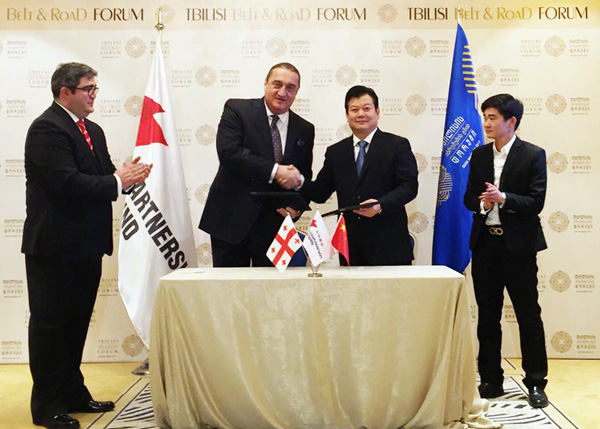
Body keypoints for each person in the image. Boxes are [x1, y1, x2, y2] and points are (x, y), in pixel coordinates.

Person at [22, 62, 152, 428]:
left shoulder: (91, 129)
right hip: (54, 247)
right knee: (51, 327)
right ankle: (47, 406)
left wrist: (128, 177)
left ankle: (73, 393)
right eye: (88, 89)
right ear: (65, 92)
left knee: (77, 323)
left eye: (95, 88)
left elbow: (103, 176)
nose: (94, 94)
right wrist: (117, 180)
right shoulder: (47, 128)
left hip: (86, 245)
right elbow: (67, 183)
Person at [464, 93, 549, 408]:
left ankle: (536, 382)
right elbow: (469, 197)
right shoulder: (479, 155)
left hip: (519, 248)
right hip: (486, 244)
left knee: (528, 315)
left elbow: (536, 201)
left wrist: (504, 198)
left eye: (492, 117)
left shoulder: (533, 155)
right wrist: (483, 204)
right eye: (485, 117)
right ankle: (490, 379)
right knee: (488, 315)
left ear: (511, 121)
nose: (486, 123)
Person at [199, 62, 314, 267]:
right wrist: (275, 171)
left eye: (290, 87)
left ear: (297, 91)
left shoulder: (305, 128)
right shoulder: (237, 110)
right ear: (266, 83)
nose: (282, 92)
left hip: (275, 228)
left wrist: (297, 208)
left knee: (271, 287)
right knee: (229, 286)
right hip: (230, 221)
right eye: (277, 84)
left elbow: (302, 174)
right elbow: (229, 153)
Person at [302, 85, 418, 266]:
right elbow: (320, 192)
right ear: (347, 115)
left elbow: (409, 187)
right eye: (354, 109)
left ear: (377, 112)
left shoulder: (397, 145)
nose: (361, 114)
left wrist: (380, 205)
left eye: (366, 108)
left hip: (390, 246)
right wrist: (298, 181)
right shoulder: (336, 152)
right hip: (350, 247)